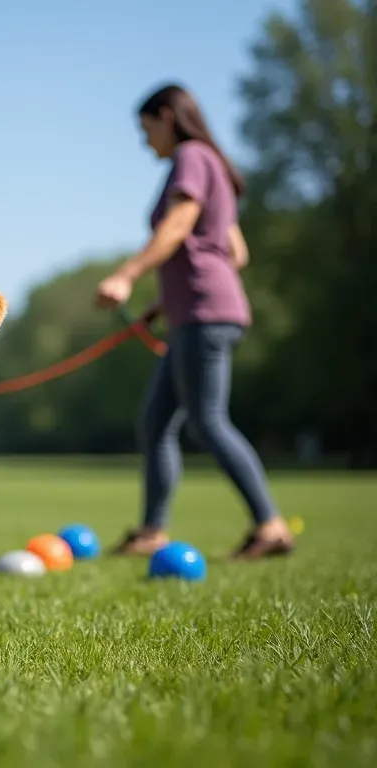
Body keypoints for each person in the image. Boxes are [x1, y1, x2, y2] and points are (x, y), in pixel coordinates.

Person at [94, 83, 295, 560]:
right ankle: (151, 532)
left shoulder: (191, 157)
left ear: (167, 116)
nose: (147, 142)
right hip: (198, 312)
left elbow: (180, 224)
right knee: (157, 420)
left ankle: (270, 526)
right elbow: (235, 252)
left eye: (147, 130)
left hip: (205, 316)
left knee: (208, 421)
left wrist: (127, 275)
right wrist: (165, 302)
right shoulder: (213, 164)